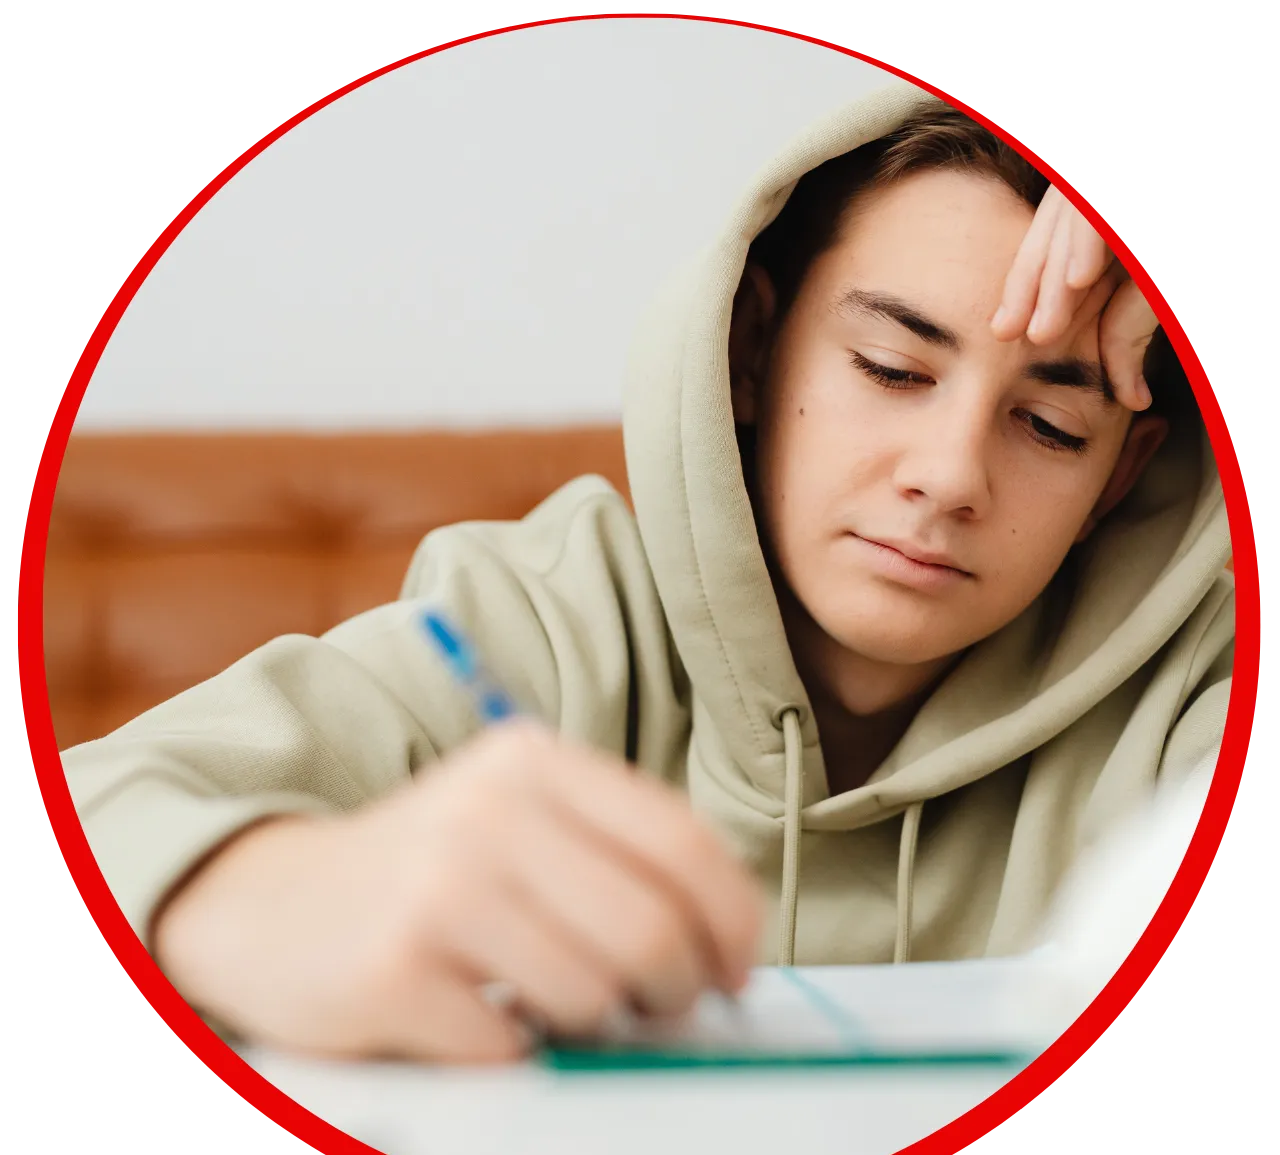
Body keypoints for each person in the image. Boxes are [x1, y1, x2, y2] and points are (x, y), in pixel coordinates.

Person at [58, 81, 1232, 1063]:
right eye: (889, 367)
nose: (948, 475)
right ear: (751, 352)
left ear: (1120, 474)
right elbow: (96, 803)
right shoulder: (539, 612)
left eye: (1050, 427)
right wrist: (258, 894)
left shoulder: (1191, 689)